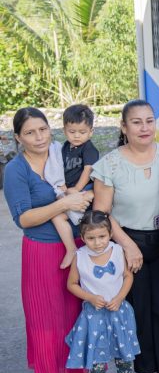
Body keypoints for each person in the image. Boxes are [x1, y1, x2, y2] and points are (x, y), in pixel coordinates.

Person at [3, 108, 94, 373]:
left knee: (74, 312)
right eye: (29, 132)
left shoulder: (61, 152)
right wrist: (65, 203)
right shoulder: (16, 169)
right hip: (42, 251)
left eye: (42, 129)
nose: (38, 137)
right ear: (18, 137)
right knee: (47, 318)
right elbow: (24, 218)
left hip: (76, 243)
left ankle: (74, 372)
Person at [92, 100, 159, 373]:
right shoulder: (110, 164)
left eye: (149, 121)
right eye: (137, 122)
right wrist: (127, 245)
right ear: (124, 127)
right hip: (128, 240)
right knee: (139, 308)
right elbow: (102, 212)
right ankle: (149, 372)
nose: (145, 128)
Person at [64, 210, 142, 373]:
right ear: (82, 238)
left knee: (124, 355)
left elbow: (127, 276)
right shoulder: (80, 256)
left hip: (118, 312)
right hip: (94, 316)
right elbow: (71, 284)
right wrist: (89, 297)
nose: (97, 243)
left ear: (109, 234)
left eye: (102, 236)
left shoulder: (117, 250)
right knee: (98, 359)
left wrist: (120, 298)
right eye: (91, 238)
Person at [42, 104, 98, 269]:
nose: (77, 136)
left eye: (82, 132)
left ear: (91, 131)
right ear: (65, 130)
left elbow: (88, 170)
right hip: (69, 190)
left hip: (85, 189)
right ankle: (71, 249)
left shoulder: (89, 148)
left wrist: (78, 189)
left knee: (88, 225)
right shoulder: (65, 147)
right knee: (57, 217)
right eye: (72, 132)